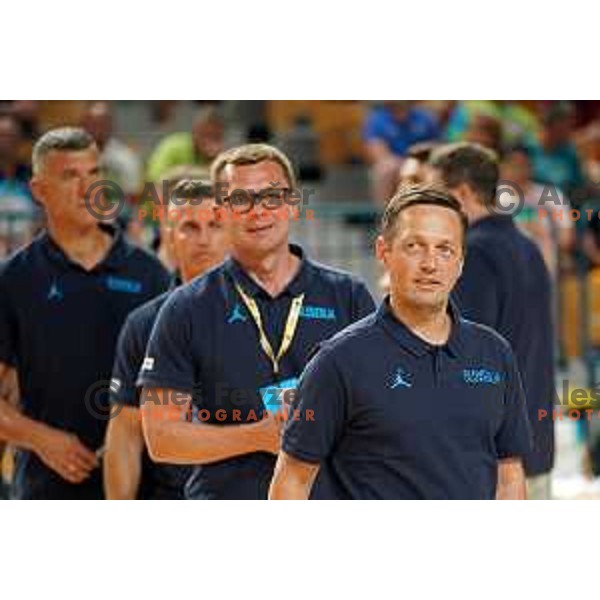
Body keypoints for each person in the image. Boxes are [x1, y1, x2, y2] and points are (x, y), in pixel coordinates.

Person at [139, 143, 375, 499]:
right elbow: (161, 437)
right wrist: (257, 435)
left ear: (293, 204)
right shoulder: (185, 308)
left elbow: (380, 413)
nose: (258, 211)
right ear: (220, 211)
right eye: (240, 200)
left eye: (271, 196)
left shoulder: (348, 296)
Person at [269, 184, 531, 500]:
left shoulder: (495, 353)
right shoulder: (338, 362)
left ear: (461, 262)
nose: (430, 264)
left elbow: (509, 474)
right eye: (414, 246)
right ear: (384, 252)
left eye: (444, 249)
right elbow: (292, 482)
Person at [0, 127, 170, 499]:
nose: (87, 188)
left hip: (143, 485)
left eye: (94, 173)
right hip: (47, 489)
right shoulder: (13, 279)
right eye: (69, 176)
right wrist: (42, 439)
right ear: (39, 191)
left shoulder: (149, 272)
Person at [429, 142, 555, 499]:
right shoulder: (526, 246)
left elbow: (465, 356)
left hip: (493, 458)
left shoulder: (476, 253)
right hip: (532, 443)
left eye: (437, 193)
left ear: (463, 192)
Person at [104, 180, 230, 499]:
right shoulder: (143, 323)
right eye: (190, 226)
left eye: (215, 225)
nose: (204, 239)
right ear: (169, 235)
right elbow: (125, 434)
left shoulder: (272, 313)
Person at [500, 143, 574, 277]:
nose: (519, 170)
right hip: (505, 273)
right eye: (513, 165)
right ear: (501, 167)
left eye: (524, 165)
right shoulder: (490, 199)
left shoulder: (550, 195)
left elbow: (566, 236)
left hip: (543, 272)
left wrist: (542, 233)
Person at [364, 101, 439, 204]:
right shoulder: (376, 120)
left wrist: (416, 161)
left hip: (421, 162)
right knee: (386, 169)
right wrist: (404, 166)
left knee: (433, 171)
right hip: (393, 165)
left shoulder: (425, 117)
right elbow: (378, 153)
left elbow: (436, 147)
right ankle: (384, 215)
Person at [80, 101, 143, 198]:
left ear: (111, 125)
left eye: (102, 123)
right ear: (84, 125)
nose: (97, 130)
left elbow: (133, 196)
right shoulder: (73, 157)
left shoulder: (126, 159)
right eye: (92, 124)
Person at [146, 108, 225, 184]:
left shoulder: (220, 158)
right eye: (205, 134)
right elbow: (156, 180)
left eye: (216, 137)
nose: (209, 141)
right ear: (195, 130)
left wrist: (214, 163)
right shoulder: (173, 146)